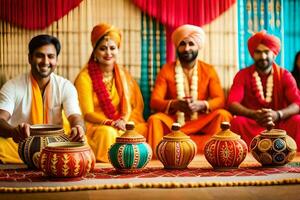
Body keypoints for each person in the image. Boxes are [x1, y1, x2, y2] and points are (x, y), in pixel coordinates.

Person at [147, 24, 232, 154]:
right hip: (174, 122)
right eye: (182, 44)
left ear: (198, 46)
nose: (187, 49)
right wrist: (175, 104)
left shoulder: (208, 70)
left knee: (223, 115)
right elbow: (154, 101)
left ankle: (218, 154)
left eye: (191, 44)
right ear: (177, 47)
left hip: (200, 121)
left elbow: (220, 99)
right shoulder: (166, 70)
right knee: (155, 119)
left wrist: (202, 105)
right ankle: (159, 158)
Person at [0, 34, 85, 164]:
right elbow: (1, 119)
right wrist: (14, 131)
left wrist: (78, 128)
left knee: (83, 142)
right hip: (20, 145)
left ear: (56, 60)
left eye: (51, 56)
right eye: (40, 55)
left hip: (56, 147)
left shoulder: (65, 86)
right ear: (29, 58)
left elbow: (75, 116)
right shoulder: (12, 86)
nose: (45, 62)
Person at [75, 23, 147, 162]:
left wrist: (123, 121)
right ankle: (105, 168)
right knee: (107, 133)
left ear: (118, 50)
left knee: (142, 130)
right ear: (95, 51)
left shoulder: (123, 74)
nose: (108, 53)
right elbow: (87, 114)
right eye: (103, 48)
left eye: (112, 48)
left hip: (120, 121)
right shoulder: (85, 77)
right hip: (95, 125)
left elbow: (132, 107)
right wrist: (111, 123)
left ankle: (129, 163)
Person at [228, 30, 300, 147]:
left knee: (298, 121)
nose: (263, 56)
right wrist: (254, 114)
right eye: (258, 52)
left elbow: (297, 103)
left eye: (266, 52)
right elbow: (232, 103)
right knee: (237, 122)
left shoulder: (285, 75)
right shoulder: (242, 75)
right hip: (254, 123)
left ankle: (293, 157)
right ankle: (247, 157)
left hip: (280, 123)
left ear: (274, 54)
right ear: (253, 54)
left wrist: (278, 114)